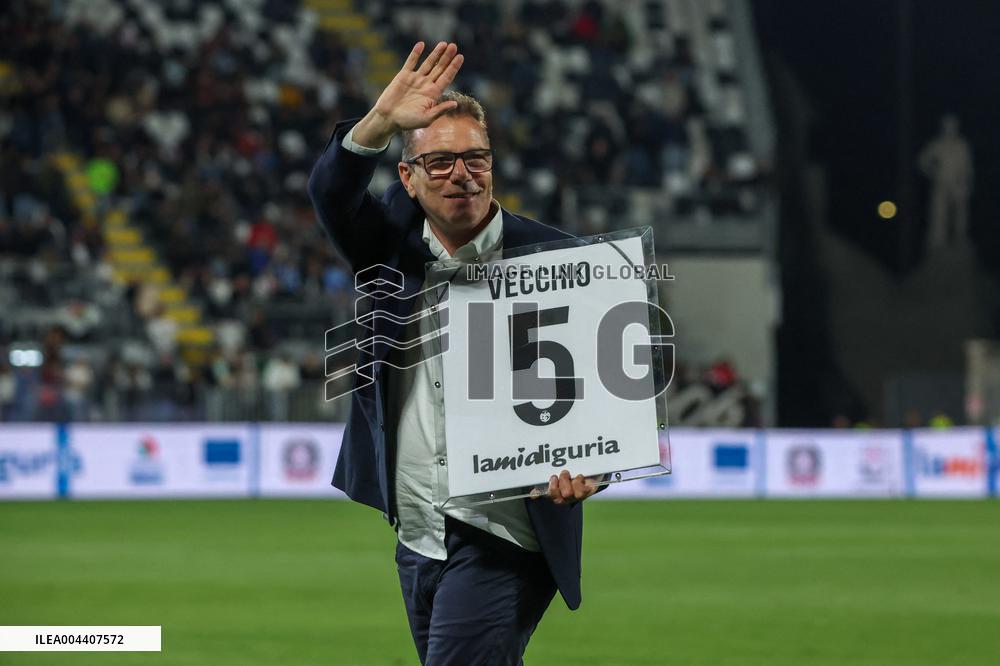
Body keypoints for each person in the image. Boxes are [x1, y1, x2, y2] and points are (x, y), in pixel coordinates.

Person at [308, 42, 602, 665]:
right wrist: (380, 122)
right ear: (408, 179)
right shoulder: (387, 246)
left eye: (475, 158)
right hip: (418, 535)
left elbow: (607, 401)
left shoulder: (562, 262)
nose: (462, 174)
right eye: (439, 162)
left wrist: (596, 467)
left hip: (506, 536)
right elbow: (331, 193)